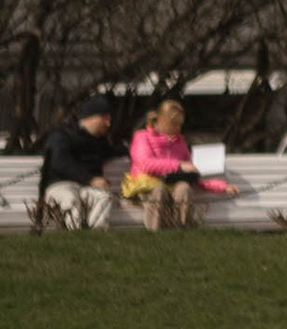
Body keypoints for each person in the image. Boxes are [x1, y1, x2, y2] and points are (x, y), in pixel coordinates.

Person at [38, 96, 122, 230]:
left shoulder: (100, 142)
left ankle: (95, 236)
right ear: (92, 117)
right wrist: (90, 179)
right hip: (60, 185)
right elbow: (60, 162)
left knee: (104, 197)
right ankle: (75, 237)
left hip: (86, 188)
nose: (108, 124)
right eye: (105, 119)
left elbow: (116, 152)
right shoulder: (61, 135)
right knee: (71, 199)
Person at [123, 99, 202, 229]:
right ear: (161, 120)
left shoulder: (180, 141)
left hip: (172, 183)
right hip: (147, 184)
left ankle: (180, 230)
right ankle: (156, 233)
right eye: (175, 124)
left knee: (184, 188)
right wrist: (178, 165)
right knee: (159, 191)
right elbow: (145, 164)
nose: (178, 128)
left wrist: (219, 186)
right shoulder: (141, 137)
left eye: (180, 124)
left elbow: (190, 170)